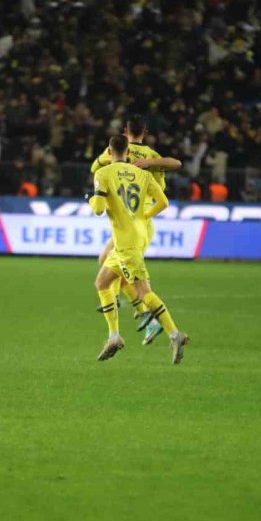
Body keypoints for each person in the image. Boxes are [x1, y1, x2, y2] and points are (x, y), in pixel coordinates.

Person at [88, 134, 189, 364]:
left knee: (143, 292)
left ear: (109, 150)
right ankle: (113, 336)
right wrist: (144, 216)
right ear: (128, 151)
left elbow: (98, 209)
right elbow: (163, 202)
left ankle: (175, 334)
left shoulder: (102, 173)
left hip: (125, 242)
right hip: (138, 233)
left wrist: (91, 198)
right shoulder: (143, 174)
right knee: (102, 282)